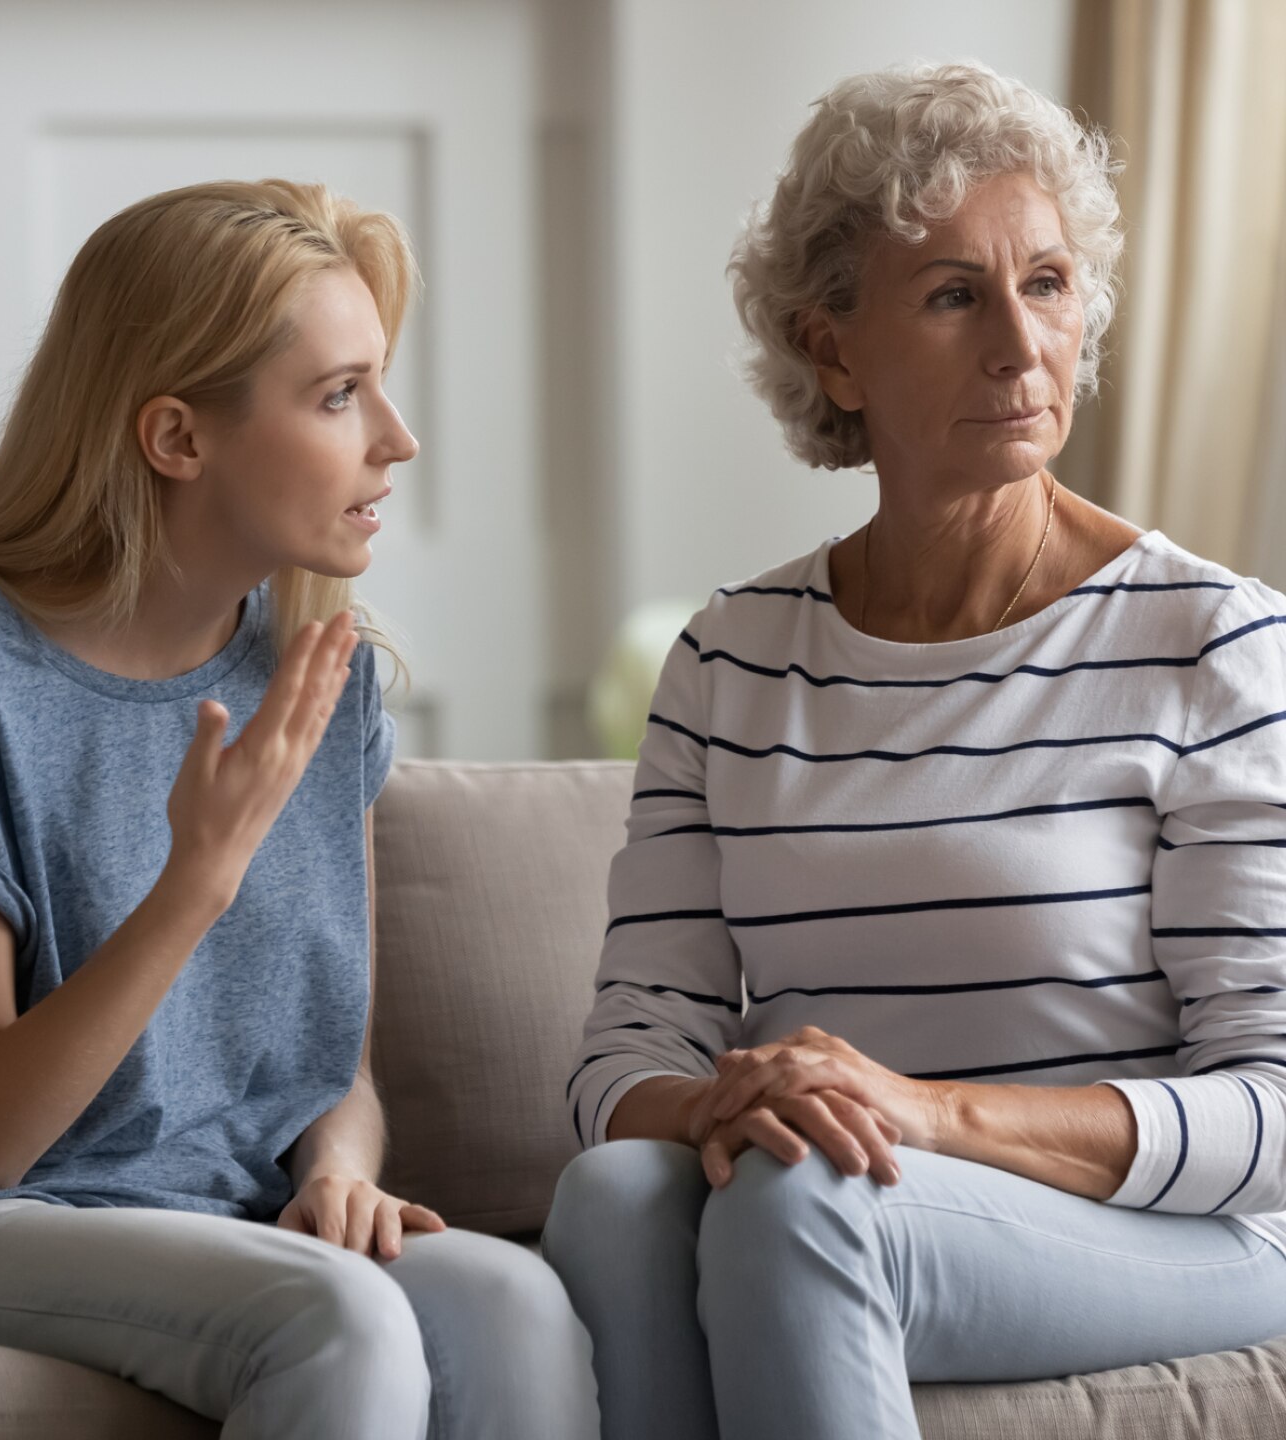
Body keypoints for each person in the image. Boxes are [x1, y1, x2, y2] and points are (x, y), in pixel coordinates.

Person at [543, 61, 1286, 1440]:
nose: (1021, 344)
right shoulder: (732, 660)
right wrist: (738, 1100)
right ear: (833, 349)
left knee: (808, 1193)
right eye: (954, 295)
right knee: (618, 1191)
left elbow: (1275, 1105)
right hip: (839, 1176)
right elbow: (620, 1063)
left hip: (1179, 1231)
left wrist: (927, 1115)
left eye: (1049, 283)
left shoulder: (1218, 644)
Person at [0, 178, 597, 1440]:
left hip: (232, 1226)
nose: (399, 440)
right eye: (340, 394)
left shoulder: (319, 669)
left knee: (519, 1303)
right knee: (339, 1320)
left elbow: (333, 1069)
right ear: (177, 438)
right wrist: (198, 876)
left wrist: (339, 1171)